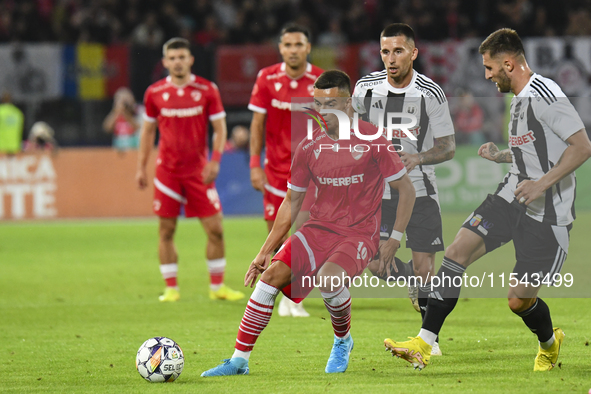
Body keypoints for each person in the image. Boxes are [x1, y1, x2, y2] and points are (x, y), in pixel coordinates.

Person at [385, 28, 591, 372]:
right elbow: (539, 149)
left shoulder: (544, 95)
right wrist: (504, 156)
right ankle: (423, 342)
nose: (487, 75)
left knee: (518, 300)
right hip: (512, 195)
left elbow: (582, 146)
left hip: (548, 212)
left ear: (509, 64)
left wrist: (541, 184)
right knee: (456, 252)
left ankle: (550, 344)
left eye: (490, 68)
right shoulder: (519, 98)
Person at [201, 70, 415, 377]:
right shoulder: (309, 146)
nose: (322, 112)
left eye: (330, 104)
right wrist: (265, 250)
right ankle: (238, 360)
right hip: (318, 229)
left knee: (329, 281)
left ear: (349, 103)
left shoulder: (373, 140)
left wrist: (394, 238)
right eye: (317, 104)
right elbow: (291, 202)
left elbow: (406, 190)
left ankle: (342, 340)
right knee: (270, 276)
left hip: (358, 233)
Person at [352, 23, 455, 356]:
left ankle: (428, 338)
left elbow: (448, 147)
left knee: (426, 265)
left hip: (421, 189)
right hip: (378, 193)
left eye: (398, 51)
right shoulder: (365, 89)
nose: (390, 59)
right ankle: (412, 278)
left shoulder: (430, 93)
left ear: (413, 53)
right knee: (376, 265)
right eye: (385, 51)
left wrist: (419, 157)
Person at [136, 37, 244, 303]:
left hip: (199, 172)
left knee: (215, 229)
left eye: (182, 57)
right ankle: (171, 288)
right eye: (172, 58)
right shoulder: (154, 93)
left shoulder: (207, 90)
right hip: (167, 173)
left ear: (190, 60)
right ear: (165, 62)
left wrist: (215, 160)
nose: (177, 62)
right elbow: (148, 131)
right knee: (166, 230)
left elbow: (220, 129)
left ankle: (217, 287)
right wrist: (140, 167)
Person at [248, 23, 323, 317]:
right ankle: (278, 292)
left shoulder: (320, 80)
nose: (293, 50)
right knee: (276, 233)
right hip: (276, 169)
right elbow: (256, 124)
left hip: (312, 170)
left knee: (305, 233)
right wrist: (254, 164)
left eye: (298, 45)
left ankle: (294, 297)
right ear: (280, 48)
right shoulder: (266, 78)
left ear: (308, 48)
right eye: (288, 45)